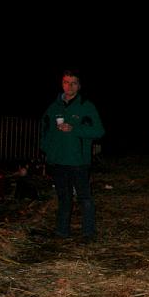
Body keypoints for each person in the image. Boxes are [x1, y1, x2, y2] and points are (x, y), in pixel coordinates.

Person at [40, 69, 105, 242]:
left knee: (85, 198)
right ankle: (62, 232)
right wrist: (47, 149)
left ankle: (88, 233)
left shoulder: (86, 106)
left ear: (79, 85)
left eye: (73, 82)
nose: (69, 86)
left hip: (78, 161)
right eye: (66, 82)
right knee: (63, 197)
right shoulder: (53, 107)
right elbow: (44, 129)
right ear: (62, 84)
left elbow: (99, 131)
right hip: (57, 160)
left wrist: (74, 129)